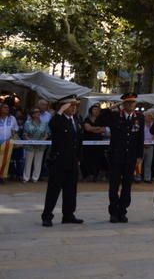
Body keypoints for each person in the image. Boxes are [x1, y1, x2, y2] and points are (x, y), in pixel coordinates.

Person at [90, 92, 145, 223]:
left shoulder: (139, 117)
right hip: (116, 156)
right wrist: (111, 107)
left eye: (132, 102)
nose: (130, 105)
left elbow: (140, 138)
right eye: (127, 102)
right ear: (123, 104)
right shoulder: (115, 116)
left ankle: (123, 211)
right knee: (114, 185)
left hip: (130, 157)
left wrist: (139, 156)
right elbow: (98, 121)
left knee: (127, 185)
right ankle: (113, 212)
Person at [41, 95, 84, 227]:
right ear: (64, 107)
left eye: (75, 106)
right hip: (59, 160)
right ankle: (47, 216)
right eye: (70, 105)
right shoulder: (58, 120)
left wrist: (79, 158)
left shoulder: (75, 120)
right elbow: (52, 125)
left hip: (72, 160)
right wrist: (60, 111)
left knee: (71, 190)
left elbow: (78, 140)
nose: (73, 108)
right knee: (54, 189)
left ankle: (68, 215)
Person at [81, 103, 107, 182]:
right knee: (87, 159)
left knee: (98, 159)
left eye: (97, 109)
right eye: (94, 109)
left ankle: (97, 175)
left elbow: (103, 129)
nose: (96, 111)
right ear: (91, 110)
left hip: (99, 143)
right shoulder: (87, 119)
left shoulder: (101, 119)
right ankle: (88, 175)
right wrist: (97, 128)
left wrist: (93, 129)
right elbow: (87, 128)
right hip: (88, 143)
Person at [23, 108, 49, 183]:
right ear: (32, 114)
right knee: (28, 162)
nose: (38, 113)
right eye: (36, 112)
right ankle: (26, 178)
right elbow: (25, 134)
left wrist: (42, 141)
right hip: (30, 145)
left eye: (39, 112)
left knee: (38, 162)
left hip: (41, 146)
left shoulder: (44, 123)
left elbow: (46, 134)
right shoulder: (27, 123)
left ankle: (35, 178)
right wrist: (30, 141)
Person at [0, 102, 20, 183]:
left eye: (7, 107)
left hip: (7, 144)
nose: (7, 109)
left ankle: (1, 177)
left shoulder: (12, 118)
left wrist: (14, 136)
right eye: (4, 107)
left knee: (5, 160)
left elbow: (16, 129)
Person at [140, 111, 154, 183]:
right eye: (148, 116)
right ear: (144, 117)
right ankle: (137, 177)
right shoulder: (141, 125)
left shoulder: (153, 125)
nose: (149, 117)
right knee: (139, 162)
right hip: (141, 145)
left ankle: (147, 178)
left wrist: (152, 141)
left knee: (148, 163)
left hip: (150, 146)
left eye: (151, 116)